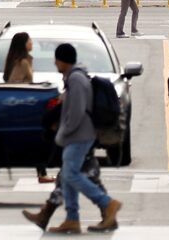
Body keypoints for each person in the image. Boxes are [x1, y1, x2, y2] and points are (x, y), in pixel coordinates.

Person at [51, 43, 122, 233]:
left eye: (56, 60)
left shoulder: (76, 79)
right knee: (68, 175)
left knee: (71, 174)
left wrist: (63, 133)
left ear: (62, 61)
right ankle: (72, 219)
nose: (55, 63)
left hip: (79, 135)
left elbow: (77, 112)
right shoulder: (74, 77)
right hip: (79, 134)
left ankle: (107, 203)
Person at [4, 32, 55, 185]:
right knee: (38, 141)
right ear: (23, 44)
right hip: (22, 106)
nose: (32, 43)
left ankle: (42, 172)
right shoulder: (22, 62)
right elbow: (16, 83)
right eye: (29, 41)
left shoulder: (17, 60)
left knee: (35, 141)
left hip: (21, 105)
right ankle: (42, 173)